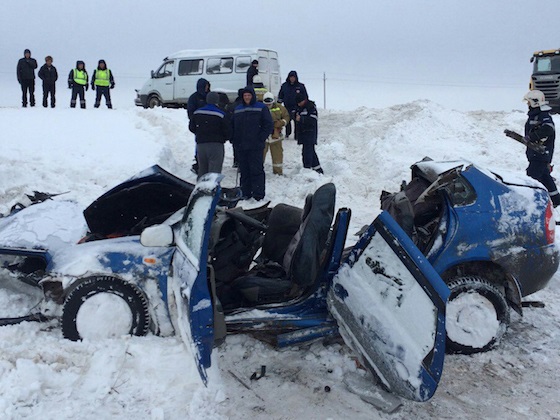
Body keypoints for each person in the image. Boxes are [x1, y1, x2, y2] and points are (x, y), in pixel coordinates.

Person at [231, 86, 273, 201]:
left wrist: (261, 138)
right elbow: (233, 126)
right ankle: (245, 192)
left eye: (249, 95)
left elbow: (268, 124)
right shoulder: (238, 109)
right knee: (244, 170)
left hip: (256, 146)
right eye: (245, 96)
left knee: (256, 170)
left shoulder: (261, 108)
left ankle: (258, 194)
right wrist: (234, 139)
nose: (247, 98)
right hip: (241, 146)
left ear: (253, 96)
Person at [523, 90, 560, 207]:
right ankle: (556, 200)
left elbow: (548, 129)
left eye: (528, 102)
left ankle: (532, 206)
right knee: (545, 178)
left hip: (540, 154)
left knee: (531, 179)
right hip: (537, 155)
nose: (527, 105)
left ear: (535, 102)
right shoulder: (535, 115)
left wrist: (533, 137)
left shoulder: (543, 116)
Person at [188, 92, 231, 177]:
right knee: (214, 172)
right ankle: (212, 189)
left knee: (202, 170)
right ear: (217, 100)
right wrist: (223, 138)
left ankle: (201, 188)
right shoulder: (221, 114)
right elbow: (228, 131)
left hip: (201, 145)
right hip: (216, 145)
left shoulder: (197, 112)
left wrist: (200, 133)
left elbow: (191, 127)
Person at [295, 93, 323, 174]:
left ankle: (307, 169)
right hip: (303, 134)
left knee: (307, 152)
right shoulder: (299, 108)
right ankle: (318, 169)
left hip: (310, 133)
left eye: (300, 102)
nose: (299, 104)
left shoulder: (310, 107)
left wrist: (302, 119)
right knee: (310, 152)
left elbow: (313, 120)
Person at [263, 91, 290, 175]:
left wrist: (281, 123)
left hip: (276, 135)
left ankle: (278, 172)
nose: (268, 105)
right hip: (263, 136)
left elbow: (287, 117)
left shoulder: (280, 108)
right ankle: (258, 170)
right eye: (266, 104)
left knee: (277, 155)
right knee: (260, 155)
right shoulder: (260, 107)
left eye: (269, 104)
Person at [187, 78, 211, 174]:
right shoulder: (194, 98)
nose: (207, 88)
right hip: (199, 126)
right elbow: (190, 112)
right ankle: (198, 164)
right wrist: (195, 122)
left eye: (208, 86)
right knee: (200, 145)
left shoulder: (209, 96)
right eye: (206, 86)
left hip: (210, 126)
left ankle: (207, 163)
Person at [277, 70, 308, 139]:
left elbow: (305, 97)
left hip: (297, 107)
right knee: (287, 121)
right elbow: (280, 95)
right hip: (287, 107)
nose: (292, 79)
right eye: (291, 77)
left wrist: (304, 104)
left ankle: (297, 135)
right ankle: (287, 133)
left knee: (297, 121)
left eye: (293, 77)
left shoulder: (300, 86)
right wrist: (279, 104)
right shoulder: (284, 86)